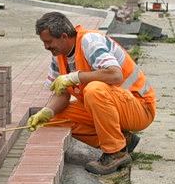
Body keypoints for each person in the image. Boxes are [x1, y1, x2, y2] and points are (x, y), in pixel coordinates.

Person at [27, 11, 156, 174]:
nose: (46, 47)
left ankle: (115, 152)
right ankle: (122, 141)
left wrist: (75, 77)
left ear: (64, 36)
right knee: (55, 118)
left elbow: (115, 75)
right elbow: (63, 93)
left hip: (139, 108)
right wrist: (47, 111)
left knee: (94, 90)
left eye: (48, 42)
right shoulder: (58, 55)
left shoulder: (90, 41)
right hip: (114, 107)